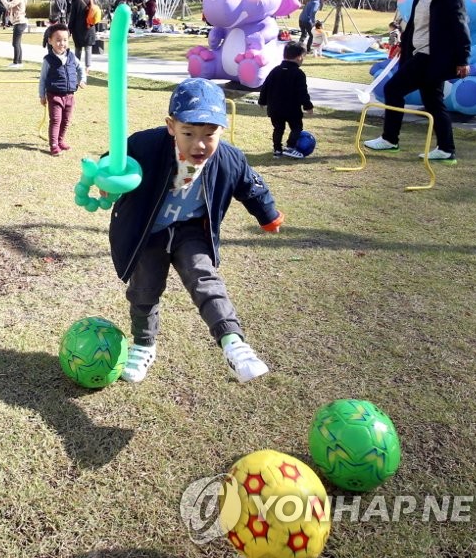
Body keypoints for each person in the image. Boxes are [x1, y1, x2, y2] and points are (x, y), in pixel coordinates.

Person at [109, 78, 279, 384]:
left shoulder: (230, 158)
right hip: (150, 231)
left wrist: (268, 216)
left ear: (222, 131)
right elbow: (116, 162)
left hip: (191, 231)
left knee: (205, 280)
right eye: (189, 133)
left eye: (209, 134)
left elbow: (251, 187)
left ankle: (233, 343)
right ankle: (144, 344)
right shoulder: (145, 146)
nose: (199, 144)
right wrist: (107, 176)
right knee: (144, 290)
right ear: (171, 126)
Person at [364, 0, 470, 163]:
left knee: (393, 88)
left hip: (432, 55)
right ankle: (446, 150)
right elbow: (414, 23)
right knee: (433, 102)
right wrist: (405, 43)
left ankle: (390, 139)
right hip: (417, 50)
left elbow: (460, 26)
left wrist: (463, 59)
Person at [259, 42, 314, 158]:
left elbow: (265, 87)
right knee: (296, 127)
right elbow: (302, 92)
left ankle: (277, 150)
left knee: (278, 128)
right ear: (299, 57)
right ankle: (290, 147)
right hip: (292, 109)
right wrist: (308, 106)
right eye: (303, 57)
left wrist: (262, 101)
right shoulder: (298, 74)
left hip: (275, 108)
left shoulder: (275, 70)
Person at [38, 23, 85, 156]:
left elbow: (80, 68)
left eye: (65, 40)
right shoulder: (48, 60)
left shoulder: (71, 56)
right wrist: (42, 95)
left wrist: (82, 80)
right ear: (50, 41)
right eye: (58, 40)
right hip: (54, 95)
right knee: (56, 120)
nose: (61, 43)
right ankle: (53, 145)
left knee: (66, 120)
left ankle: (60, 140)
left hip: (70, 95)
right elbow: (42, 79)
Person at [0, 0, 27, 69]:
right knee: (17, 43)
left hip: (20, 22)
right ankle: (18, 61)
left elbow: (9, 5)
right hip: (18, 22)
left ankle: (17, 63)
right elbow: (10, 7)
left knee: (15, 43)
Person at [67, 0, 93, 77]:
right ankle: (87, 67)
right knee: (88, 48)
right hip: (89, 27)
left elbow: (72, 17)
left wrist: (69, 29)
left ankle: (76, 67)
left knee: (78, 49)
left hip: (78, 28)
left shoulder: (76, 1)